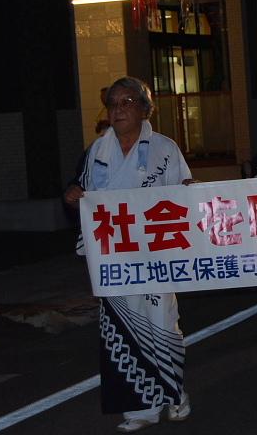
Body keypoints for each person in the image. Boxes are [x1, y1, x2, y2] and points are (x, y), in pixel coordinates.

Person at [64, 77, 193, 433]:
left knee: (163, 323)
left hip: (155, 253)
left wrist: (190, 192)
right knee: (122, 330)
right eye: (114, 104)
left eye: (127, 102)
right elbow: (85, 193)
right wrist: (74, 194)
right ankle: (140, 405)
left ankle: (174, 392)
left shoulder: (164, 148)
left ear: (143, 108)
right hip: (115, 258)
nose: (119, 110)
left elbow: (183, 195)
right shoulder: (97, 152)